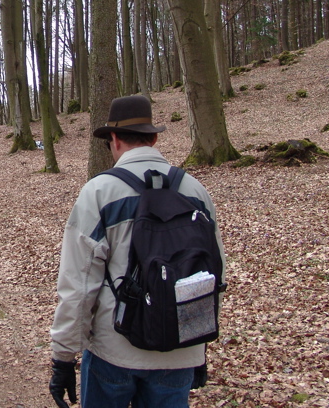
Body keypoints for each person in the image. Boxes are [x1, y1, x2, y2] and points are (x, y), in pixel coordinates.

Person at [48, 95, 225, 408]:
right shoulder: (195, 190)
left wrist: (63, 357)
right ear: (154, 139)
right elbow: (213, 273)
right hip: (179, 350)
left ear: (114, 140)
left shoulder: (99, 192)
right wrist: (198, 345)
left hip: (114, 351)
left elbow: (79, 285)